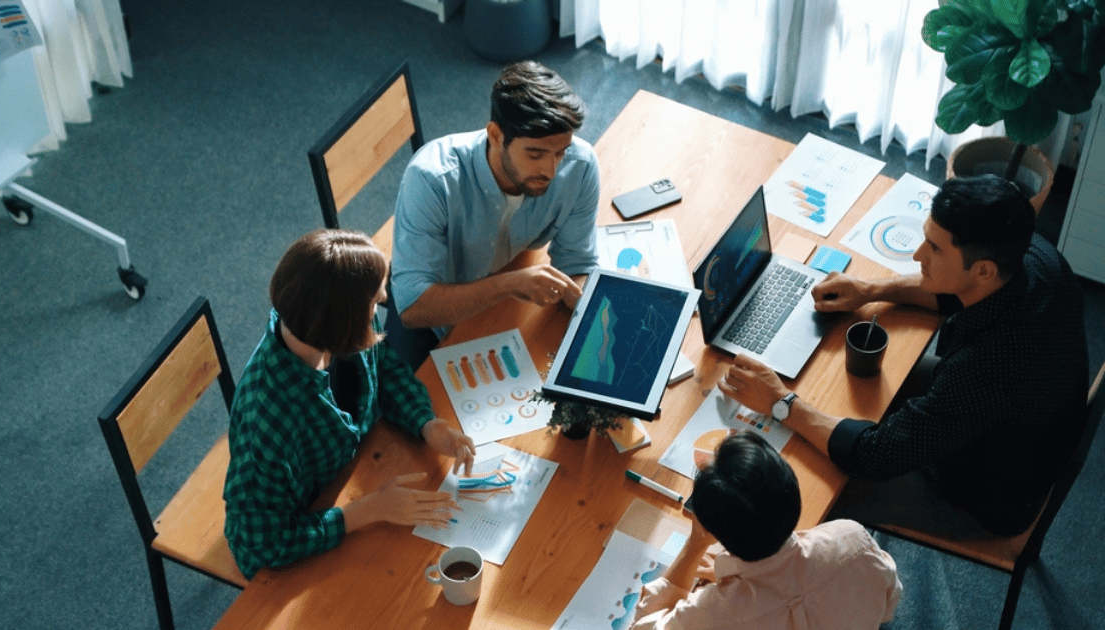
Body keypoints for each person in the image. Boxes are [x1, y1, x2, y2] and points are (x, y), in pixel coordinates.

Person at [719, 174, 1089, 538]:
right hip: (1013, 425)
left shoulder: (989, 366)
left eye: (936, 249)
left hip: (985, 497)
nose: (917, 255)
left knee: (799, 494)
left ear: (983, 269)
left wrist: (780, 402)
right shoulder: (1030, 254)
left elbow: (875, 457)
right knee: (845, 389)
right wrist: (871, 290)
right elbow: (954, 291)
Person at [223, 229, 476, 579]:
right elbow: (261, 544)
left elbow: (384, 368)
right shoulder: (267, 418)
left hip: (354, 471)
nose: (382, 304)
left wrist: (428, 424)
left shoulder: (337, 321)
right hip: (309, 528)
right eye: (375, 302)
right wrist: (367, 511)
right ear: (342, 321)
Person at [387, 60, 600, 368]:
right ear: (496, 136)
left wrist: (589, 319)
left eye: (560, 152)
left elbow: (577, 264)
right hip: (431, 308)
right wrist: (510, 285)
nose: (552, 170)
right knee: (404, 407)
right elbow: (413, 308)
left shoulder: (580, 166)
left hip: (502, 301)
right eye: (535, 154)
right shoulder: (432, 179)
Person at [632, 432, 902, 630]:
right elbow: (889, 607)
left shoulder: (713, 614)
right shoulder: (852, 539)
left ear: (714, 531)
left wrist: (695, 545)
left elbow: (642, 627)